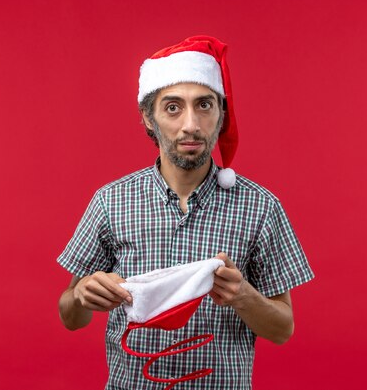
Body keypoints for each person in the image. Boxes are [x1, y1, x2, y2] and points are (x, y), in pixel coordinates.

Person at [57, 35, 314, 390]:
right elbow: (70, 315)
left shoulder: (260, 207)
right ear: (149, 118)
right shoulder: (111, 201)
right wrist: (84, 294)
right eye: (173, 107)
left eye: (204, 105)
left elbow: (283, 329)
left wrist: (242, 296)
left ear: (221, 115)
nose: (190, 124)